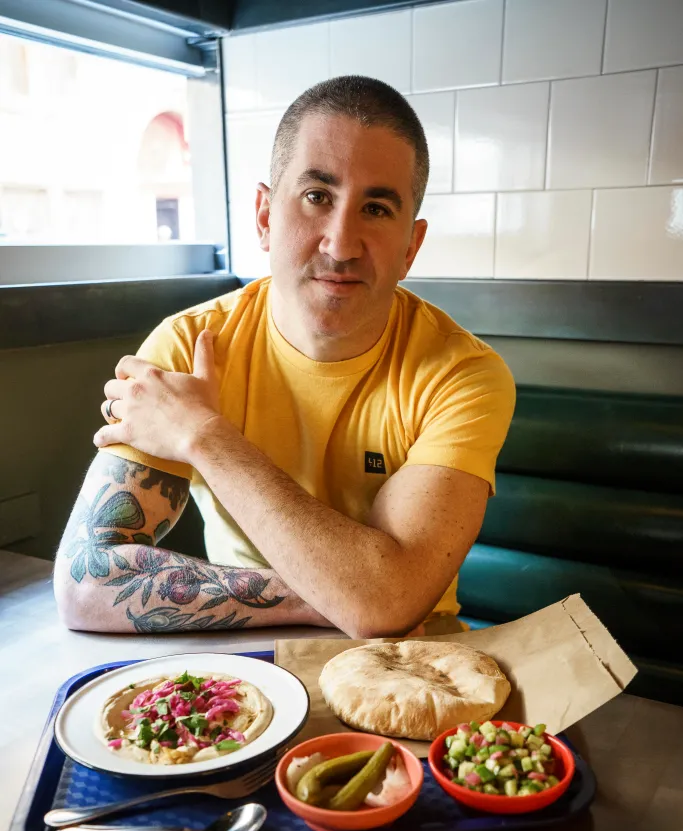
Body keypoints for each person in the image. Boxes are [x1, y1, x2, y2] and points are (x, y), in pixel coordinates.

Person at [54, 75, 515, 639]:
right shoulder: (187, 347)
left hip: (413, 669)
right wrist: (340, 594)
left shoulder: (462, 375)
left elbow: (389, 605)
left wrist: (203, 435)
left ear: (410, 247)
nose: (341, 245)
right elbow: (85, 582)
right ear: (266, 216)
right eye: (317, 197)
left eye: (375, 209)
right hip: (239, 660)